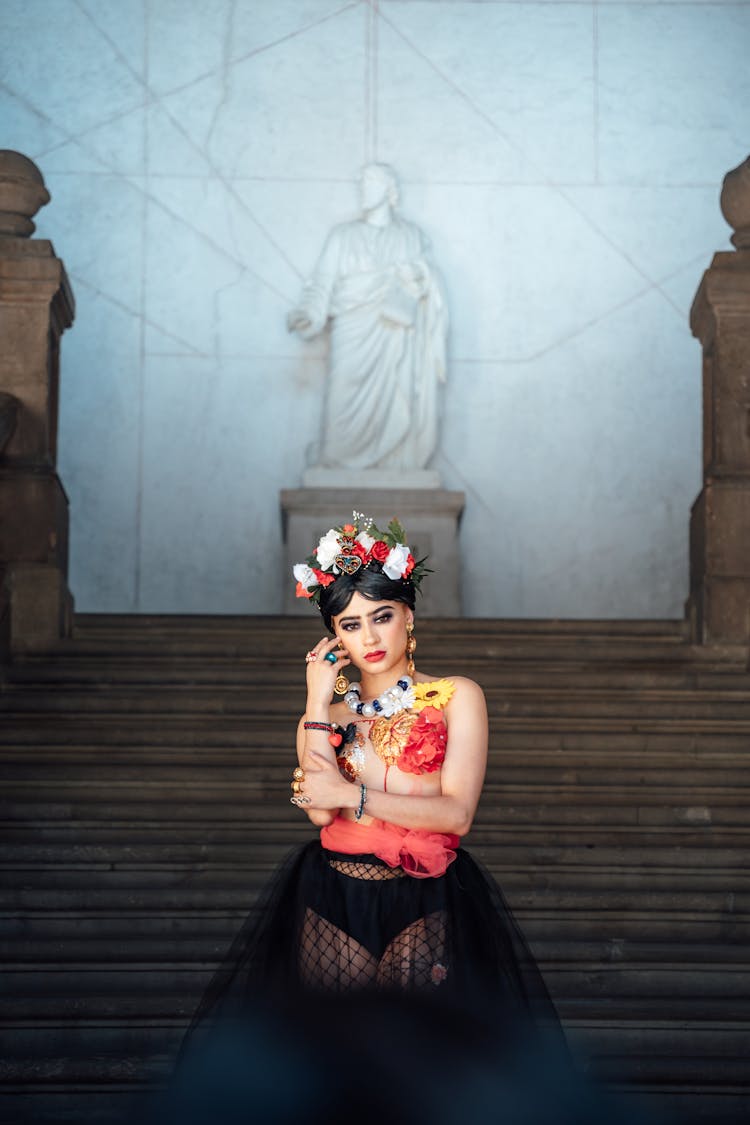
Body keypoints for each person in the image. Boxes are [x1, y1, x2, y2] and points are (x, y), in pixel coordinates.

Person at [178, 514, 565, 1049]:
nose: (370, 636)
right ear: (334, 636)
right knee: (336, 1053)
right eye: (350, 624)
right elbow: (318, 811)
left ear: (408, 615)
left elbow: (457, 815)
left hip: (426, 892)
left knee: (416, 1056)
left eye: (381, 616)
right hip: (332, 888)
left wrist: (351, 795)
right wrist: (317, 699)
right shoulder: (327, 716)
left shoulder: (457, 696)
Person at [287, 164, 448, 471]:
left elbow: (430, 280)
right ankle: (337, 460)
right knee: (342, 395)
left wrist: (417, 274)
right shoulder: (342, 236)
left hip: (395, 333)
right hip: (352, 327)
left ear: (389, 191)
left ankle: (395, 458)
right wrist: (309, 313)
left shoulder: (411, 237)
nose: (363, 188)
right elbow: (322, 283)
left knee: (395, 392)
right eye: (361, 183)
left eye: (371, 182)